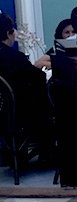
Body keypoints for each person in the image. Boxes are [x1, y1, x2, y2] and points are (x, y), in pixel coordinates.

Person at [0, 13, 54, 161]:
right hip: (20, 114)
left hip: (3, 114)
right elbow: (36, 80)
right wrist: (37, 66)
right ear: (8, 33)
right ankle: (47, 155)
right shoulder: (14, 58)